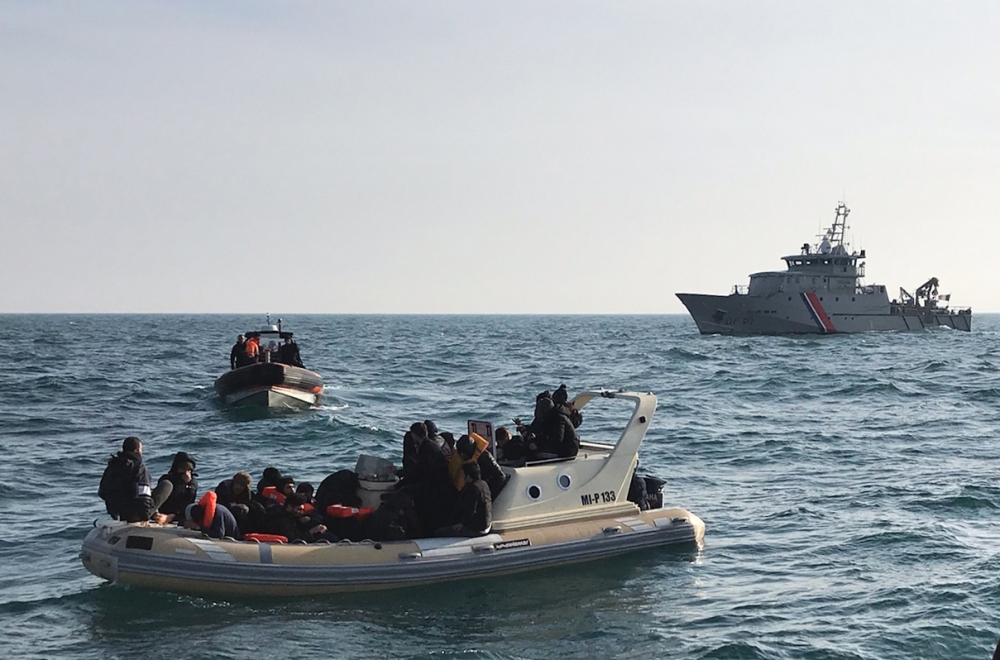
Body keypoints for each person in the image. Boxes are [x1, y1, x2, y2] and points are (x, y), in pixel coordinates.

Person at [99, 436, 173, 522]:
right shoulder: (138, 466)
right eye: (141, 449)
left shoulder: (112, 466)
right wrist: (145, 516)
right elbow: (143, 494)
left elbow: (102, 493)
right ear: (136, 450)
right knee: (167, 484)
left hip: (117, 514)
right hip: (136, 515)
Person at [436, 462, 491, 537]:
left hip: (477, 528)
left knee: (440, 532)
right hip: (486, 524)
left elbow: (471, 510)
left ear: (468, 476)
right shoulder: (483, 484)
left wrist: (463, 524)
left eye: (463, 475)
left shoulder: (472, 489)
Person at [449, 433, 506, 499]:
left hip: (481, 489)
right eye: (460, 453)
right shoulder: (460, 455)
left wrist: (486, 493)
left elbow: (500, 477)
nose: (462, 455)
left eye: (464, 453)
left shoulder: (485, 457)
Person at [154, 451, 199, 524]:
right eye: (183, 469)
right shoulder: (166, 479)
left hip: (180, 514)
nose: (186, 473)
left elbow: (189, 502)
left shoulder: (192, 482)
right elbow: (158, 499)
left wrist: (187, 484)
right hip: (163, 511)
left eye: (188, 470)